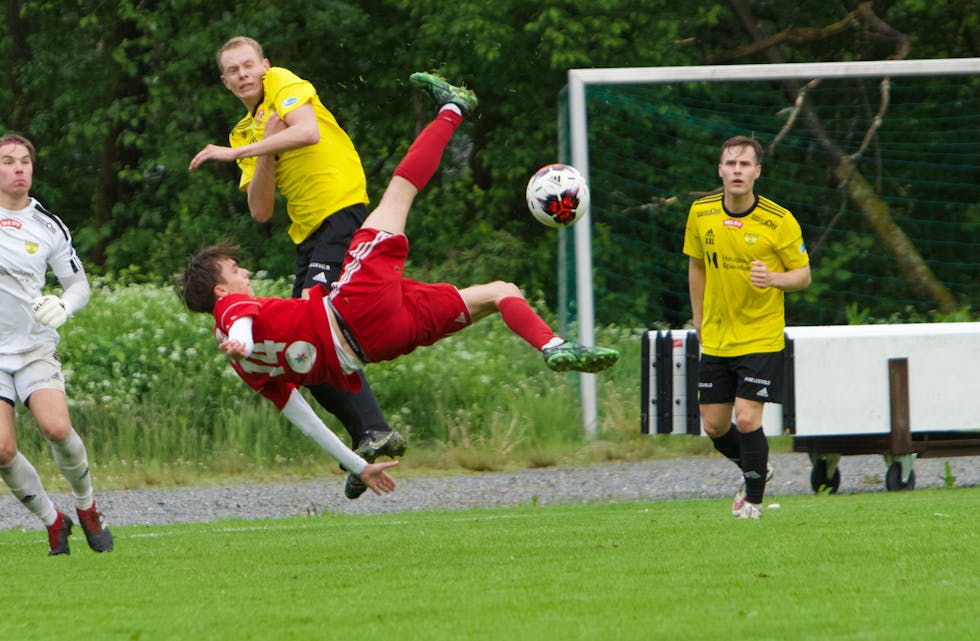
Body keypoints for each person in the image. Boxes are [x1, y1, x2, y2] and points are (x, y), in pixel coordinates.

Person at [178, 77, 619, 495]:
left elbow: (304, 418)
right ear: (220, 290)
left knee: (499, 291)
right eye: (235, 270)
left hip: (379, 344)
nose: (244, 274)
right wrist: (236, 338)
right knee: (400, 191)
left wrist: (357, 464)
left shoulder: (249, 369)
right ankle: (454, 106)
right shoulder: (231, 313)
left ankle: (553, 344)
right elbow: (240, 322)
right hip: (355, 308)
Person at [188, 37, 448, 498]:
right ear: (225, 82)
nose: (244, 74)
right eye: (234, 70)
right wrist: (260, 149)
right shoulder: (244, 132)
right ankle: (367, 440)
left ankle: (372, 429)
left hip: (339, 210)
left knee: (314, 336)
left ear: (264, 65)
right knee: (299, 356)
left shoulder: (282, 83)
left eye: (249, 64)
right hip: (308, 232)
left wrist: (234, 155)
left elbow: (307, 131)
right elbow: (261, 210)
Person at [683, 135, 811, 520]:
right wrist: (698, 318)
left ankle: (753, 501)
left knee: (747, 417)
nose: (736, 171)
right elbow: (697, 266)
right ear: (720, 170)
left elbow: (803, 275)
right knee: (714, 425)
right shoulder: (700, 213)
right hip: (718, 335)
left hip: (760, 334)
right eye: (730, 164)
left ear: (757, 172)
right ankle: (758, 466)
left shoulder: (779, 220)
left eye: (744, 165)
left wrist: (773, 279)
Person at [0, 133, 114, 554]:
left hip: (33, 349)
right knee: (1, 448)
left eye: (25, 161)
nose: (18, 169)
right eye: (9, 161)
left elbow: (78, 284)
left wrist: (64, 307)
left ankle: (87, 507)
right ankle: (53, 520)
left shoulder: (47, 224)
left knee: (56, 428)